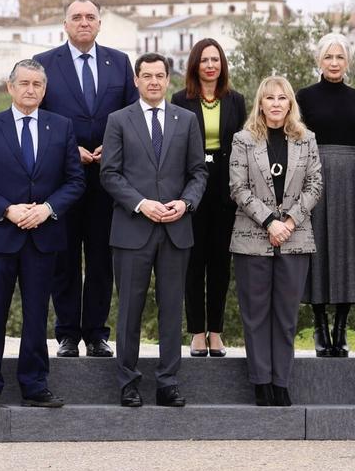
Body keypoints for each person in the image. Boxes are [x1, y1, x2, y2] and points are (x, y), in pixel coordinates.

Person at [0, 60, 86, 410]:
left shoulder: (61, 128)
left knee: (36, 314)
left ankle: (34, 385)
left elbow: (75, 181)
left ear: (44, 90)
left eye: (37, 84)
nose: (31, 90)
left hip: (43, 236)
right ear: (10, 87)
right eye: (24, 83)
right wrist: (6, 209)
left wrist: (47, 209)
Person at [100, 52, 207, 408]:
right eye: (146, 76)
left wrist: (186, 203)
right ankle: (128, 382)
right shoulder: (118, 120)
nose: (154, 82)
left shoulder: (187, 120)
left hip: (177, 228)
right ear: (136, 80)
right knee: (130, 308)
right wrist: (141, 203)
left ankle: (168, 382)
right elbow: (109, 174)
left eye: (160, 76)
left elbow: (198, 173)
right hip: (133, 228)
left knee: (171, 308)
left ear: (168, 79)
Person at [35, 0, 138, 358]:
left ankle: (96, 333)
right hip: (62, 176)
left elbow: (132, 115)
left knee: (100, 258)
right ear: (64, 24)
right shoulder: (45, 64)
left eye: (90, 17)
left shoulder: (119, 63)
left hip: (107, 177)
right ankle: (66, 333)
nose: (83, 22)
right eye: (76, 17)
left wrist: (113, 149)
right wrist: (68, 148)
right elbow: (38, 117)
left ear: (99, 24)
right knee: (63, 257)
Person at [229, 77, 323, 406]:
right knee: (255, 315)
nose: (276, 104)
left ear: (290, 104)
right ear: (260, 103)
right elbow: (238, 188)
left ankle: (281, 381)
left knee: (285, 316)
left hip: (295, 239)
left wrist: (290, 221)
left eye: (282, 98)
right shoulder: (243, 140)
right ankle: (260, 382)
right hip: (252, 239)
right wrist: (270, 221)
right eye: (269, 98)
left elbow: (315, 184)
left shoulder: (306, 139)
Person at [296, 33, 355, 358]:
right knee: (315, 249)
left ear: (347, 62)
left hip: (352, 180)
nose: (334, 63)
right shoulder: (304, 96)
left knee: (348, 251)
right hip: (313, 178)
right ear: (319, 61)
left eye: (339, 57)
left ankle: (342, 327)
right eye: (328, 57)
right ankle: (319, 325)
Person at [170, 38, 246, 358]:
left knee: (220, 263)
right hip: (192, 185)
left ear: (222, 65)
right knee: (193, 262)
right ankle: (197, 333)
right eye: (204, 60)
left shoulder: (236, 100)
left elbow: (244, 143)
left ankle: (216, 331)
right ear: (195, 65)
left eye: (215, 60)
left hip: (226, 187)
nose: (210, 65)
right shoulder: (179, 100)